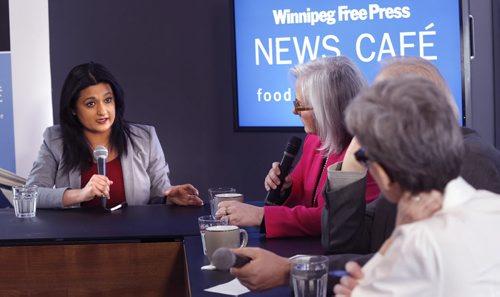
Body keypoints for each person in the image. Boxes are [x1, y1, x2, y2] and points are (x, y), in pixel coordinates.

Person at [323, 56, 500, 277]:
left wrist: (294, 270)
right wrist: (350, 167)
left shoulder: (471, 160)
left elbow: (420, 264)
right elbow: (344, 243)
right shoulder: (411, 163)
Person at [216, 56, 380, 238]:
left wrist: (262, 215)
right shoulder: (315, 141)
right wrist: (286, 187)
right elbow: (302, 190)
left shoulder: (365, 152)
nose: (294, 111)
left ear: (325, 109)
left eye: (299, 105)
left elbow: (337, 218)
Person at [26, 62, 203, 208]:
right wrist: (80, 194)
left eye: (108, 100)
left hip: (135, 240)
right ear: (73, 109)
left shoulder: (145, 138)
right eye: (90, 104)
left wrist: (170, 198)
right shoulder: (55, 140)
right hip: (76, 244)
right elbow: (31, 195)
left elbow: (159, 194)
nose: (102, 111)